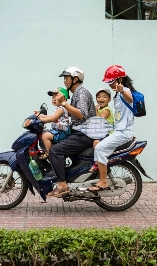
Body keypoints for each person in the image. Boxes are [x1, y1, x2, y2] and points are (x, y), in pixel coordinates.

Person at [46, 66, 97, 197]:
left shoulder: (82, 93)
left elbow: (81, 115)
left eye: (66, 78)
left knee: (55, 150)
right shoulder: (77, 94)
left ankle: (62, 185)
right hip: (79, 132)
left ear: (75, 79)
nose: (64, 81)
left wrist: (64, 103)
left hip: (85, 134)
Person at [88, 65, 135, 191]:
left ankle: (103, 181)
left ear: (119, 79)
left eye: (111, 82)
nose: (109, 84)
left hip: (123, 132)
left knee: (99, 148)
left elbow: (131, 100)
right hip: (118, 131)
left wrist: (122, 91)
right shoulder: (118, 94)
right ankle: (100, 171)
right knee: (97, 144)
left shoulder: (125, 91)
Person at [37, 87, 70, 159]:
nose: (54, 99)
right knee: (43, 133)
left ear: (64, 99)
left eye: (57, 97)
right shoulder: (57, 108)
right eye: (53, 97)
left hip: (61, 132)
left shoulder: (61, 108)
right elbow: (50, 116)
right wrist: (40, 116)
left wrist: (43, 120)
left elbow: (53, 118)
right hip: (57, 131)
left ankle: (49, 154)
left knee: (45, 136)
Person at [89, 88, 114, 172]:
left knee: (96, 142)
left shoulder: (106, 110)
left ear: (109, 99)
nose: (101, 99)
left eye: (104, 97)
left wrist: (95, 110)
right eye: (99, 97)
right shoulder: (100, 109)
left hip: (108, 134)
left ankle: (97, 163)